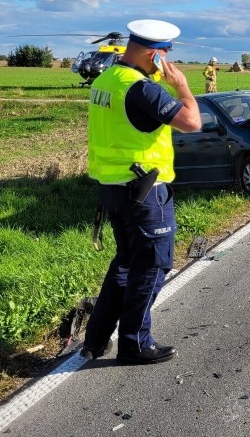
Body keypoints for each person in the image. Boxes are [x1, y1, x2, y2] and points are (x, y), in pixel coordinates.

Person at [82, 19, 201, 365]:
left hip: (112, 189)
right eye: (167, 53)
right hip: (145, 193)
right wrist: (181, 87)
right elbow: (193, 122)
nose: (169, 62)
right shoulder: (142, 88)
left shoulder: (105, 80)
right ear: (155, 55)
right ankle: (135, 344)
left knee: (125, 264)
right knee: (152, 267)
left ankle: (95, 339)